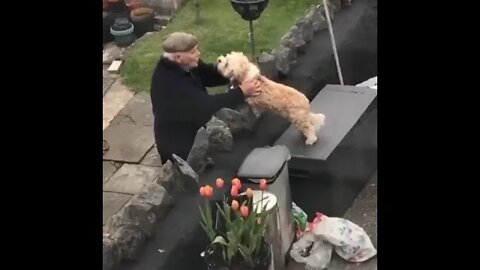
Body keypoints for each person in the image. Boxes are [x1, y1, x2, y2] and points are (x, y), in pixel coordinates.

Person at [150, 32, 262, 164]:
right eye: (193, 52)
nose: (198, 53)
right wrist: (241, 92)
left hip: (192, 129)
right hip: (178, 145)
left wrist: (231, 72)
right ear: (178, 57)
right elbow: (207, 104)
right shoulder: (170, 83)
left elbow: (208, 75)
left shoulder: (186, 65)